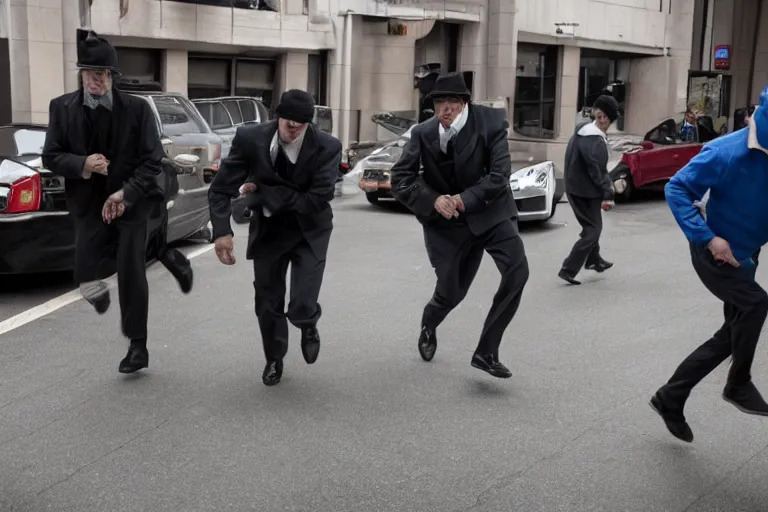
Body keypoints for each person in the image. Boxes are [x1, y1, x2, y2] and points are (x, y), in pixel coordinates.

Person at [42, 29, 193, 374]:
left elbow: (152, 160)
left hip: (132, 198)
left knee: (129, 268)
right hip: (89, 204)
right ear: (81, 74)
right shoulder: (61, 108)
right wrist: (81, 164)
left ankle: (137, 346)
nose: (95, 80)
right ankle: (161, 257)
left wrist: (124, 193)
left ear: (112, 76)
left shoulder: (137, 110)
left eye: (102, 74)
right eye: (89, 73)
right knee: (87, 264)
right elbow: (51, 155)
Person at [390, 72, 529, 379]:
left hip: (490, 212)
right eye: (440, 102)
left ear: (465, 103)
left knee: (518, 270)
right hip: (447, 224)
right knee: (452, 292)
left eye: (453, 101)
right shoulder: (422, 133)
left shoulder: (492, 123)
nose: (446, 108)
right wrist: (435, 200)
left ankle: (486, 351)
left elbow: (499, 174)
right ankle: (430, 320)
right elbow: (400, 179)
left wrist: (463, 199)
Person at [650, 85, 768, 444]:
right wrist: (708, 238)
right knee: (756, 304)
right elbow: (677, 189)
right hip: (715, 252)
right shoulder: (725, 151)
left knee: (732, 334)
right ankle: (738, 383)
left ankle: (670, 397)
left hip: (747, 254)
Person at [208, 89, 342, 386]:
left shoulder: (328, 146)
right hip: (269, 231)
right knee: (267, 302)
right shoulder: (251, 138)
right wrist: (222, 233)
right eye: (287, 121)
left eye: (300, 124)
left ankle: (308, 324)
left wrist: (264, 194)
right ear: (277, 116)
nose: (292, 128)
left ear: (309, 124)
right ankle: (274, 357)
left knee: (301, 303)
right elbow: (220, 190)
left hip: (310, 230)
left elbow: (318, 197)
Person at [558, 95, 619, 285]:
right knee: (593, 230)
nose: (603, 122)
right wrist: (608, 193)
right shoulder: (594, 140)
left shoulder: (582, 131)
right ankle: (568, 269)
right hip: (585, 192)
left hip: (577, 188)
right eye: (601, 117)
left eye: (605, 118)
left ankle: (594, 260)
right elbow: (597, 169)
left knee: (591, 227)